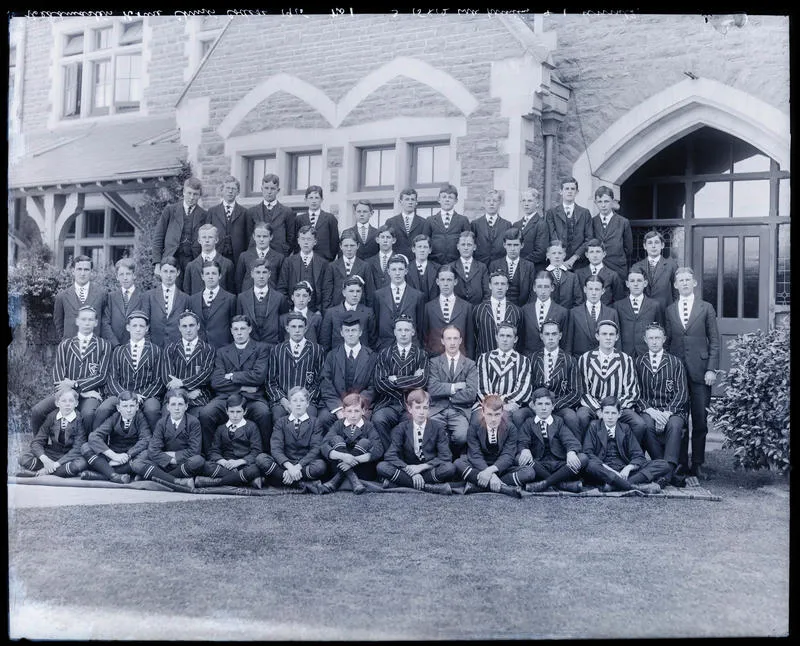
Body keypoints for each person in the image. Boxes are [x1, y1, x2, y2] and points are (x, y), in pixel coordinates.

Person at [665, 267, 720, 479]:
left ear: (694, 283)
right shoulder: (670, 310)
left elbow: (714, 340)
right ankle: (680, 462)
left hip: (701, 372)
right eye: (681, 280)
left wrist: (711, 369)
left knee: (700, 419)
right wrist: (669, 370)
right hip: (678, 373)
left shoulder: (706, 308)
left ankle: (697, 463)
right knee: (679, 418)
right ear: (676, 285)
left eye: (688, 279)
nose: (685, 283)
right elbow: (668, 341)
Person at [29, 305, 110, 435]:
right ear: (77, 321)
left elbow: (102, 376)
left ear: (96, 323)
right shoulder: (65, 344)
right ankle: (38, 447)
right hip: (66, 393)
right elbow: (58, 376)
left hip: (92, 394)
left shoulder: (104, 345)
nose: (87, 323)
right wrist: (77, 391)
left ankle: (86, 449)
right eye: (83, 319)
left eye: (90, 320)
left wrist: (76, 385)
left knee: (88, 414)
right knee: (37, 411)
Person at [207, 315, 272, 452]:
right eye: (236, 329)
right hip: (226, 398)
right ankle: (210, 454)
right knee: (207, 413)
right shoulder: (222, 352)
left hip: (252, 399)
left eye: (243, 328)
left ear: (249, 329)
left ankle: (265, 454)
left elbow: (258, 377)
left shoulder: (261, 349)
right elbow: (216, 381)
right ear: (231, 331)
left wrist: (232, 376)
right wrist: (243, 386)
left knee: (264, 413)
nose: (239, 332)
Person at [635, 323, 688, 486]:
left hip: (672, 410)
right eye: (651, 338)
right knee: (645, 424)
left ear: (664, 339)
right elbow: (635, 392)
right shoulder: (638, 362)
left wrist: (667, 413)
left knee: (675, 425)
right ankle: (664, 470)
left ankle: (667, 471)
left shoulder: (675, 362)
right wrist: (651, 411)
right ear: (645, 340)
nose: (654, 341)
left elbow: (682, 393)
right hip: (648, 409)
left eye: (658, 338)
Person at [576, 319, 645, 444]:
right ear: (597, 336)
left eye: (611, 334)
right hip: (593, 406)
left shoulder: (625, 359)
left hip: (618, 406)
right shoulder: (585, 358)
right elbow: (583, 391)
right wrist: (598, 410)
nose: (608, 338)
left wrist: (614, 410)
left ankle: (627, 453)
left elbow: (632, 392)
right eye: (604, 334)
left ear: (617, 337)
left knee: (639, 424)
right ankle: (586, 452)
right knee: (581, 417)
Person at [94, 310, 164, 432]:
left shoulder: (156, 350)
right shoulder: (119, 351)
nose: (138, 329)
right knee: (103, 409)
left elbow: (158, 381)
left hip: (147, 395)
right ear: (128, 327)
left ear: (147, 328)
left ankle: (155, 445)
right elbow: (112, 379)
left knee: (152, 410)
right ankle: (96, 442)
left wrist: (141, 396)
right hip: (121, 393)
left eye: (141, 326)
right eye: (134, 326)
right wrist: (126, 395)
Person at [377, 389, 455, 495]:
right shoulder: (401, 428)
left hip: (428, 469)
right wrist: (410, 471)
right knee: (382, 467)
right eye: (417, 408)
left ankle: (401, 483)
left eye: (425, 408)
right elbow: (390, 455)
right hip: (408, 470)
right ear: (409, 409)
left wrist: (421, 467)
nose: (421, 412)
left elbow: (446, 456)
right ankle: (429, 487)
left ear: (429, 409)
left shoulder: (438, 427)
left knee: (449, 468)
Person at [581, 396, 666, 494]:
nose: (610, 417)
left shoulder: (625, 428)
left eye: (613, 413)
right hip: (603, 470)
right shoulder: (594, 426)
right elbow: (588, 453)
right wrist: (609, 470)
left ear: (619, 414)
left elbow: (638, 455)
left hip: (622, 470)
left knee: (663, 464)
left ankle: (614, 485)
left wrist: (628, 468)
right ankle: (633, 486)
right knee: (590, 465)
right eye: (606, 413)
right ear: (601, 413)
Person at [371, 314, 428, 450]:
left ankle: (406, 457)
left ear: (413, 332)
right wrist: (411, 379)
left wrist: (396, 379)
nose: (403, 334)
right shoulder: (384, 354)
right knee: (378, 419)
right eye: (400, 330)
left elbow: (422, 382)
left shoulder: (421, 354)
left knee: (413, 421)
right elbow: (380, 384)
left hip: (410, 405)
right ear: (395, 332)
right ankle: (388, 454)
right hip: (388, 403)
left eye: (407, 330)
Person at [129, 388, 203, 493]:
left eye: (180, 404)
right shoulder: (162, 423)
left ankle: (155, 476)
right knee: (137, 463)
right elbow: (153, 449)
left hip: (182, 463)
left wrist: (173, 457)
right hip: (163, 464)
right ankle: (176, 481)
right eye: (173, 404)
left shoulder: (193, 422)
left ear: (186, 406)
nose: (177, 408)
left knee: (198, 460)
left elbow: (195, 450)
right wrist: (168, 460)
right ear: (168, 407)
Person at [254, 387, 326, 493]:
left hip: (304, 465)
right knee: (261, 459)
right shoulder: (281, 422)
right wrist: (289, 467)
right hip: (285, 464)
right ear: (289, 404)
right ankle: (302, 483)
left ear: (307, 403)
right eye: (294, 400)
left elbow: (315, 449)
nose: (298, 404)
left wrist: (298, 467)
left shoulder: (315, 422)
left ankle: (281, 479)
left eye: (302, 400)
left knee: (320, 466)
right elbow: (276, 448)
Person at [519, 388, 588, 493]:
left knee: (583, 458)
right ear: (533, 406)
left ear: (553, 406)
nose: (543, 408)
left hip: (559, 464)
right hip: (539, 464)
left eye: (547, 404)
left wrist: (571, 452)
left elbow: (570, 440)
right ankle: (562, 484)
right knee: (519, 458)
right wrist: (525, 449)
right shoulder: (529, 423)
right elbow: (523, 440)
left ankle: (545, 483)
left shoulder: (558, 422)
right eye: (540, 404)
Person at [454, 394, 524, 498]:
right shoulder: (474, 427)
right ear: (482, 412)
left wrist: (490, 472)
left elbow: (508, 455)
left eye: (497, 414)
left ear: (502, 413)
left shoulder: (511, 428)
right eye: (489, 414)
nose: (493, 419)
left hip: (500, 467)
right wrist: (491, 476)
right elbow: (475, 455)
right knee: (458, 463)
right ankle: (503, 488)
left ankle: (478, 486)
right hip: (480, 465)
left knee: (529, 472)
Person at [192, 394, 265, 489]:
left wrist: (240, 462)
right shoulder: (221, 428)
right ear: (226, 411)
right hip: (225, 466)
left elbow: (256, 451)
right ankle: (246, 479)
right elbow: (214, 451)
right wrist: (223, 462)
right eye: (232, 411)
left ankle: (215, 482)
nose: (235, 415)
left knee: (257, 468)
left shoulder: (251, 427)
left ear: (245, 411)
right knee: (205, 465)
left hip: (244, 464)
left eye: (238, 412)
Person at [317, 318, 377, 432]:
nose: (350, 334)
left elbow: (373, 386)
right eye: (347, 330)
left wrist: (356, 407)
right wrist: (339, 409)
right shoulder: (332, 355)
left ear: (360, 332)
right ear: (341, 333)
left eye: (354, 330)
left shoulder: (371, 356)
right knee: (324, 418)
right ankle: (333, 447)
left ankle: (359, 449)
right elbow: (325, 383)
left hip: (361, 405)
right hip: (337, 404)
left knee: (368, 419)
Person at [428, 325, 479, 458]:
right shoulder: (434, 363)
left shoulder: (470, 364)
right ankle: (440, 463)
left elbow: (471, 393)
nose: (452, 342)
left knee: (462, 436)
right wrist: (455, 387)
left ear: (460, 340)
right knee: (432, 433)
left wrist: (447, 396)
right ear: (442, 341)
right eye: (448, 338)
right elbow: (432, 388)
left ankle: (454, 460)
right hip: (437, 410)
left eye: (455, 338)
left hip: (459, 410)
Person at [266, 312, 326, 423]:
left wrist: (305, 400)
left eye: (300, 326)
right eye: (293, 327)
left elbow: (320, 380)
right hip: (283, 400)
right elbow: (271, 381)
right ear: (287, 328)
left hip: (307, 400)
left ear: (306, 328)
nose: (297, 330)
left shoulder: (317, 349)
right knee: (278, 416)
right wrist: (283, 400)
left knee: (310, 417)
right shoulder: (277, 350)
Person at [80, 390, 151, 484]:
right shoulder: (115, 417)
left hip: (130, 456)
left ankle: (104, 474)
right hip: (114, 454)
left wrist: (128, 455)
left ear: (137, 406)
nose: (129, 410)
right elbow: (94, 436)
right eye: (125, 406)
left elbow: (146, 439)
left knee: (147, 454)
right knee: (85, 447)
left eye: (132, 406)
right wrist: (114, 456)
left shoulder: (140, 418)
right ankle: (114, 475)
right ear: (118, 408)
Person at [319, 393, 384, 494]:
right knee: (336, 439)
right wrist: (343, 456)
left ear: (363, 411)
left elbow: (378, 449)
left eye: (356, 411)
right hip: (339, 465)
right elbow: (324, 445)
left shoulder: (368, 426)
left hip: (361, 469)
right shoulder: (338, 424)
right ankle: (354, 481)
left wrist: (354, 460)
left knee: (364, 442)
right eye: (349, 411)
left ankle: (335, 481)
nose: (353, 415)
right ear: (344, 412)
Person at [474, 322, 533, 429]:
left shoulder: (523, 361)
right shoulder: (485, 358)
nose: (505, 339)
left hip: (511, 405)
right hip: (486, 404)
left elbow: (524, 390)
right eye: (502, 335)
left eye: (509, 336)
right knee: (477, 420)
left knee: (507, 420)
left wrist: (506, 403)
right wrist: (495, 404)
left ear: (515, 339)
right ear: (496, 337)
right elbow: (481, 387)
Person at [530, 319, 583, 440]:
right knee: (519, 415)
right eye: (547, 334)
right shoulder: (533, 358)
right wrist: (537, 404)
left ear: (560, 336)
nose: (550, 338)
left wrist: (553, 405)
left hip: (559, 405)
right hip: (536, 405)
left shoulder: (570, 360)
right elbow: (528, 387)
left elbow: (576, 393)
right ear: (541, 336)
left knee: (571, 417)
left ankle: (576, 450)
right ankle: (523, 450)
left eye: (554, 334)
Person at [17, 388, 88, 478]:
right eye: (63, 401)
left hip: (69, 455)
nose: (67, 404)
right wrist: (45, 459)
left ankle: (42, 473)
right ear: (57, 403)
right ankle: (59, 471)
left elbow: (78, 448)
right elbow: (37, 442)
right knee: (23, 458)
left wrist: (56, 464)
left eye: (71, 401)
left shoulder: (78, 419)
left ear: (76, 403)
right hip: (52, 453)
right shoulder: (52, 416)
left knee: (80, 464)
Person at [161, 310, 216, 421]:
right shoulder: (170, 349)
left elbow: (205, 375)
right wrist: (186, 394)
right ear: (179, 328)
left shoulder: (208, 349)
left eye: (191, 325)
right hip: (174, 397)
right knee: (168, 419)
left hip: (199, 396)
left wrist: (182, 382)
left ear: (198, 326)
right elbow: (168, 378)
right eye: (184, 326)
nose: (188, 329)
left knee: (202, 417)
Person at [152, 177, 206, 275]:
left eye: (195, 194)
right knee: (172, 289)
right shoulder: (170, 211)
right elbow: (158, 237)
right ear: (184, 192)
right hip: (171, 260)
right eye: (189, 193)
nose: (192, 197)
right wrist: (157, 264)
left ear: (199, 196)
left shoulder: (204, 215)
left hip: (193, 261)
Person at [372, 254, 425, 351]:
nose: (397, 273)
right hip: (385, 346)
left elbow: (420, 326)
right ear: (388, 271)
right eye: (393, 269)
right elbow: (376, 323)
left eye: (400, 269)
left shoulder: (417, 295)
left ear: (406, 271)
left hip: (410, 347)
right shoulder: (379, 295)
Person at [276, 225, 332, 313]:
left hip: (315, 311)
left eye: (309, 239)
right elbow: (282, 288)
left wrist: (320, 310)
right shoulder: (288, 262)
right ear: (298, 241)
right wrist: (289, 308)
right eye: (303, 239)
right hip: (293, 310)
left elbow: (327, 291)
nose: (306, 242)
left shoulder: (323, 263)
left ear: (315, 241)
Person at [422, 264, 474, 358]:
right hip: (435, 360)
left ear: (455, 282)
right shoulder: (428, 307)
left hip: (460, 360)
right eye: (442, 280)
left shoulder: (466, 307)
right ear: (437, 281)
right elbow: (425, 338)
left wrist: (469, 361)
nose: (445, 283)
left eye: (449, 280)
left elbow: (470, 341)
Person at [545, 177, 594, 271]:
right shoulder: (552, 213)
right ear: (561, 191)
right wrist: (560, 257)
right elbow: (552, 236)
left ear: (577, 192)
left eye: (572, 189)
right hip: (557, 262)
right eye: (566, 189)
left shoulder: (584, 213)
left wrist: (574, 258)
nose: (570, 191)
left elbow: (589, 239)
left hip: (579, 263)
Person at [53, 255, 107, 340]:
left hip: (95, 348)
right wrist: (66, 342)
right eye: (79, 269)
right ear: (73, 271)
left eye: (86, 269)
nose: (82, 273)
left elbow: (105, 323)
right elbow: (58, 323)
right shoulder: (62, 297)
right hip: (70, 348)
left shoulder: (102, 295)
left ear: (91, 272)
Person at [613, 267, 664, 358]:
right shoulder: (618, 305)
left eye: (639, 281)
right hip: (625, 353)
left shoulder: (655, 305)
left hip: (647, 353)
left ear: (645, 283)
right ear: (627, 284)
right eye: (632, 281)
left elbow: (660, 330)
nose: (636, 284)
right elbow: (617, 331)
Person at [236, 259, 288, 346]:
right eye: (258, 272)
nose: (261, 276)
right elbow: (239, 322)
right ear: (252, 274)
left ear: (269, 274)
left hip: (272, 345)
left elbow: (283, 324)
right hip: (249, 345)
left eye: (264, 272)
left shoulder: (279, 298)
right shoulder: (242, 298)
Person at [472, 268, 522, 357]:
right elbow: (475, 336)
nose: (499, 287)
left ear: (507, 286)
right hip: (485, 359)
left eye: (503, 284)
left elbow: (520, 338)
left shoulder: (516, 311)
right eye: (496, 284)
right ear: (490, 286)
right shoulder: (479, 309)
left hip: (510, 362)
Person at [566, 275, 620, 357]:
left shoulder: (612, 313)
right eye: (590, 289)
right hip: (580, 361)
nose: (593, 293)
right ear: (585, 289)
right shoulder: (574, 313)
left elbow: (617, 342)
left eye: (597, 289)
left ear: (603, 291)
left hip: (606, 362)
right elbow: (569, 343)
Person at [142, 256, 190, 348]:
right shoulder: (148, 296)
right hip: (154, 347)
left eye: (172, 271)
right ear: (160, 272)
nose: (168, 275)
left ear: (178, 273)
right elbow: (144, 324)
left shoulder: (185, 298)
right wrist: (148, 345)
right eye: (165, 271)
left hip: (177, 347)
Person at [319, 276, 376, 352]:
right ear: (344, 293)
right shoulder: (331, 313)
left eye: (358, 291)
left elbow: (372, 340)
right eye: (351, 291)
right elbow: (325, 341)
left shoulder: (368, 312)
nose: (355, 295)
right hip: (337, 359)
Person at [188, 260, 237, 349]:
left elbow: (233, 326)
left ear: (220, 276)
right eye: (207, 274)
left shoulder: (230, 299)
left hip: (222, 348)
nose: (210, 277)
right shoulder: (193, 299)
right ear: (202, 276)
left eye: (214, 273)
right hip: (199, 349)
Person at [205, 175, 250, 270]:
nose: (230, 191)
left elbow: (248, 237)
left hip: (237, 256)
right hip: (217, 254)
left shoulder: (244, 212)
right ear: (222, 190)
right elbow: (206, 235)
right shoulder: (212, 211)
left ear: (238, 192)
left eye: (233, 189)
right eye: (228, 188)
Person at [520, 271, 569, 357]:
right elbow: (521, 338)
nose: (543, 291)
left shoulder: (562, 312)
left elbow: (566, 342)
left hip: (553, 359)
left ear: (552, 288)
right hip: (529, 358)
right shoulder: (525, 310)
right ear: (534, 288)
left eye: (546, 287)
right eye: (539, 287)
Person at [631, 230, 679, 314]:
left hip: (665, 311)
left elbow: (676, 293)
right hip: (644, 312)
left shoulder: (671, 266)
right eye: (650, 243)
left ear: (662, 245)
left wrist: (674, 312)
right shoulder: (637, 267)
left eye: (656, 242)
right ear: (645, 246)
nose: (653, 246)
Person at [591, 186, 632, 283]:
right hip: (598, 267)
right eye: (600, 202)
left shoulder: (623, 222)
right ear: (595, 203)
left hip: (617, 268)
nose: (603, 205)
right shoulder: (592, 222)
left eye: (606, 201)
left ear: (613, 202)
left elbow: (628, 249)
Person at [245, 173, 293, 256]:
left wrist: (285, 250)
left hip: (279, 254)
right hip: (257, 255)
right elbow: (249, 236)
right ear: (261, 189)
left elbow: (291, 237)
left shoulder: (287, 212)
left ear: (278, 190)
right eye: (266, 188)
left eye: (273, 189)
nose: (269, 192)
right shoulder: (251, 212)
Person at [101, 257, 144, 347]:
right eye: (121, 274)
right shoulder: (111, 297)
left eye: (128, 274)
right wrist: (115, 344)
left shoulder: (143, 297)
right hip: (115, 346)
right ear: (117, 277)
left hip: (136, 346)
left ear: (134, 275)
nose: (125, 278)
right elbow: (105, 323)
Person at [326, 230, 375, 308]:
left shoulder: (365, 266)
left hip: (359, 310)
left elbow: (370, 294)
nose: (349, 249)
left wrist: (368, 313)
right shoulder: (332, 266)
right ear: (340, 246)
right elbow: (327, 294)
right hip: (337, 310)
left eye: (352, 245)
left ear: (357, 246)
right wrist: (329, 313)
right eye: (346, 246)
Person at [182, 224, 236, 295]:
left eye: (210, 237)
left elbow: (231, 293)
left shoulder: (227, 264)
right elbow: (187, 293)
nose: (207, 240)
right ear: (199, 240)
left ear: (216, 240)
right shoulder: (191, 266)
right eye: (204, 237)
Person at [488, 228, 535, 307]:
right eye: (509, 245)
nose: (512, 249)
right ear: (504, 245)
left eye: (516, 245)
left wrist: (525, 310)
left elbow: (532, 292)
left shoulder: (529, 266)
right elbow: (490, 291)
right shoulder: (494, 265)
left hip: (522, 309)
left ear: (522, 245)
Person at [234, 222, 284, 293]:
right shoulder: (244, 256)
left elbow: (280, 282)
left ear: (271, 237)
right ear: (254, 237)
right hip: (248, 297)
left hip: (271, 298)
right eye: (258, 236)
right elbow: (238, 281)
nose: (261, 239)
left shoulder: (279, 258)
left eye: (265, 236)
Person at [294, 185, 339, 262]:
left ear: (321, 200)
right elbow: (295, 241)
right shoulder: (299, 219)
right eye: (311, 198)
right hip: (304, 260)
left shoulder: (330, 218)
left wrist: (330, 257)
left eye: (317, 198)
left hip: (324, 259)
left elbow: (334, 241)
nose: (314, 201)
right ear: (306, 200)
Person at [384, 187, 431, 261]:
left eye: (412, 199)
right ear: (400, 202)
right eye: (407, 199)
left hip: (416, 262)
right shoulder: (391, 222)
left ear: (416, 202)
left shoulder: (424, 222)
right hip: (397, 263)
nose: (410, 202)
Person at [428, 182, 470, 265]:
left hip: (457, 263)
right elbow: (426, 243)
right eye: (444, 197)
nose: (447, 200)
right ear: (439, 199)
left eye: (450, 197)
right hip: (435, 263)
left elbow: (468, 243)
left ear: (456, 201)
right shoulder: (430, 220)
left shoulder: (463, 220)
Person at [574, 239, 624, 305]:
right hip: (583, 313)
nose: (595, 255)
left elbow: (618, 300)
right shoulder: (578, 274)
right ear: (586, 255)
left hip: (606, 313)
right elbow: (576, 298)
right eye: (591, 252)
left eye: (598, 252)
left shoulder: (613, 275)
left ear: (604, 254)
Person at [470, 189, 512, 267]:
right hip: (480, 264)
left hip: (500, 265)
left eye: (495, 201)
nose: (491, 203)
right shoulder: (475, 224)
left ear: (499, 203)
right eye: (488, 201)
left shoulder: (507, 225)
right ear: (483, 203)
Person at [514, 188, 549, 273]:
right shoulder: (516, 225)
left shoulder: (541, 224)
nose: (526, 204)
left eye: (530, 201)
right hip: (517, 269)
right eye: (523, 201)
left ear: (537, 203)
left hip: (533, 269)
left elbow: (541, 252)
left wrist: (520, 262)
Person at [452, 231, 490, 306]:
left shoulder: (482, 267)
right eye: (463, 244)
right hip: (457, 310)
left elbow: (487, 292)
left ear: (474, 247)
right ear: (458, 246)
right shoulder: (451, 267)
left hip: (477, 308)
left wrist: (481, 308)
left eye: (469, 245)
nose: (466, 248)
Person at [545, 240, 583, 309]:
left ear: (564, 255)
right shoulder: (543, 275)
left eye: (560, 253)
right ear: (548, 255)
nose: (557, 256)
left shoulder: (573, 277)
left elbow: (578, 301)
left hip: (568, 316)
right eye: (553, 253)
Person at [406, 234, 440, 304]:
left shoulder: (438, 268)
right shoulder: (406, 269)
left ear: (430, 250)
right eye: (419, 247)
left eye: (425, 247)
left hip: (432, 309)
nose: (422, 250)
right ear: (413, 249)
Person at [364, 224, 398, 292]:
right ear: (377, 240)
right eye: (382, 237)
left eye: (388, 237)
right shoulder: (368, 262)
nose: (385, 240)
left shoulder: (399, 260)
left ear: (393, 240)